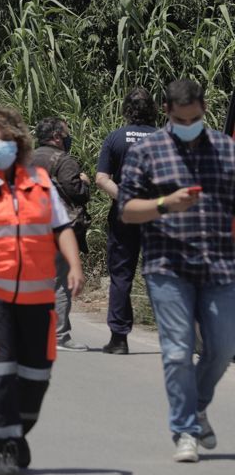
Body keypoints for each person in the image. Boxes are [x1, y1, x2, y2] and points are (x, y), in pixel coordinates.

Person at [0, 104, 84, 475]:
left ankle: (17, 431)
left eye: (6, 140)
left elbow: (62, 228)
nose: (0, 146)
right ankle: (4, 448)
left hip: (36, 298)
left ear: (19, 143)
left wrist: (74, 266)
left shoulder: (39, 182)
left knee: (36, 377)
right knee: (1, 373)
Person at [118, 79, 235, 464]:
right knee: (177, 351)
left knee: (222, 350)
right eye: (184, 119)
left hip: (219, 265)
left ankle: (198, 406)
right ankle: (184, 430)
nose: (191, 124)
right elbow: (127, 209)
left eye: (197, 118)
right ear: (167, 112)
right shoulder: (148, 152)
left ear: (204, 109)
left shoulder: (225, 149)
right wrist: (165, 204)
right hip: (167, 266)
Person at [95, 88, 157, 354]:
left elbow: (101, 179)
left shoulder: (115, 138)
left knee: (121, 276)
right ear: (153, 110)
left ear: (125, 109)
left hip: (125, 215)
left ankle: (119, 339)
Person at [32, 117, 91, 353]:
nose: (67, 137)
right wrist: (84, 182)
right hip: (57, 229)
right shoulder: (63, 161)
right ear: (57, 136)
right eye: (65, 133)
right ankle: (59, 335)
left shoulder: (29, 158)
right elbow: (76, 192)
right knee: (60, 281)